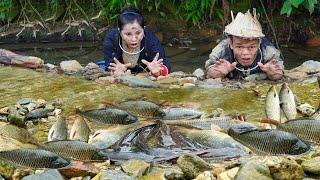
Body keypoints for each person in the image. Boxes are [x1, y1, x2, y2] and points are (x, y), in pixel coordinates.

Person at [205, 9, 284, 80]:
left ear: (259, 43)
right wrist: (218, 72)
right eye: (239, 46)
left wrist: (273, 74)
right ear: (231, 44)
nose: (245, 53)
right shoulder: (221, 51)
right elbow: (209, 73)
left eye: (252, 47)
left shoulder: (269, 52)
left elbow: (279, 74)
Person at [103, 7, 170, 77]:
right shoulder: (112, 39)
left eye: (138, 33)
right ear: (119, 32)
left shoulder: (150, 38)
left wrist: (157, 72)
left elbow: (164, 63)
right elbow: (109, 65)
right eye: (128, 34)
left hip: (144, 70)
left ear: (143, 29)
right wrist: (115, 71)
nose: (134, 39)